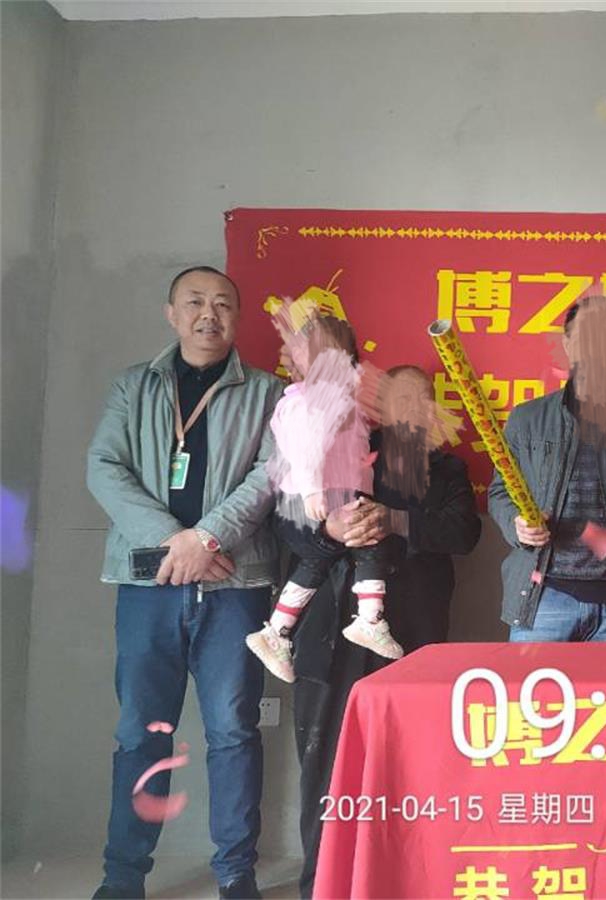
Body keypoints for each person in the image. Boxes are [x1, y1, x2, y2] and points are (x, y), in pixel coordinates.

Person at [85, 266, 283, 899]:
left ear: (237, 318)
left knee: (233, 731)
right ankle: (123, 877)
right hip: (150, 584)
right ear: (171, 313)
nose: (208, 314)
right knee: (140, 731)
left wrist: (210, 538)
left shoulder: (269, 393)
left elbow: (270, 475)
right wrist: (177, 542)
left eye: (222, 304)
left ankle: (235, 874)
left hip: (235, 585)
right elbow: (104, 467)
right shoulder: (133, 387)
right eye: (194, 302)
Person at [284, 363, 481, 899]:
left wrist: (393, 520)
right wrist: (332, 528)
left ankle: (401, 882)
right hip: (333, 634)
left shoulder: (447, 469)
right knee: (326, 766)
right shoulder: (342, 454)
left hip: (412, 637)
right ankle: (320, 883)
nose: (412, 409)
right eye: (400, 399)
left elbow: (463, 533)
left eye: (422, 400)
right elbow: (291, 527)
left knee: (409, 765)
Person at [488, 294, 606, 640]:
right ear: (567, 344)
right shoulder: (527, 419)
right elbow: (501, 491)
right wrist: (516, 525)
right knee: (534, 681)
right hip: (541, 598)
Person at [246, 315, 403, 684]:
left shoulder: (336, 400)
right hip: (325, 491)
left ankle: (277, 631)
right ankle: (370, 619)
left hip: (339, 489)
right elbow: (306, 448)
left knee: (316, 562)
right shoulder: (308, 402)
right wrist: (312, 489)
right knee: (370, 543)